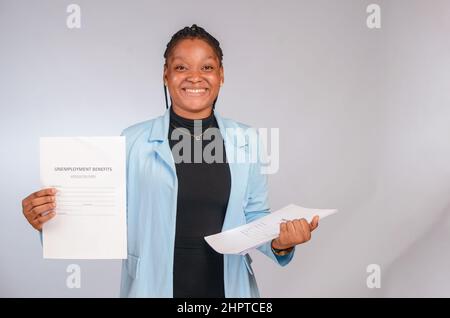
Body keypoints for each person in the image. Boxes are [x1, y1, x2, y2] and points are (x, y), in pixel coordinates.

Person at [21, 24, 319, 298]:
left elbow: (255, 216)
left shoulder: (247, 139)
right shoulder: (132, 141)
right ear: (166, 74)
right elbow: (106, 216)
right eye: (181, 67)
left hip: (228, 289)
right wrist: (49, 219)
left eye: (207, 67)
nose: (194, 77)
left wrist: (280, 242)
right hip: (152, 287)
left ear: (221, 75)